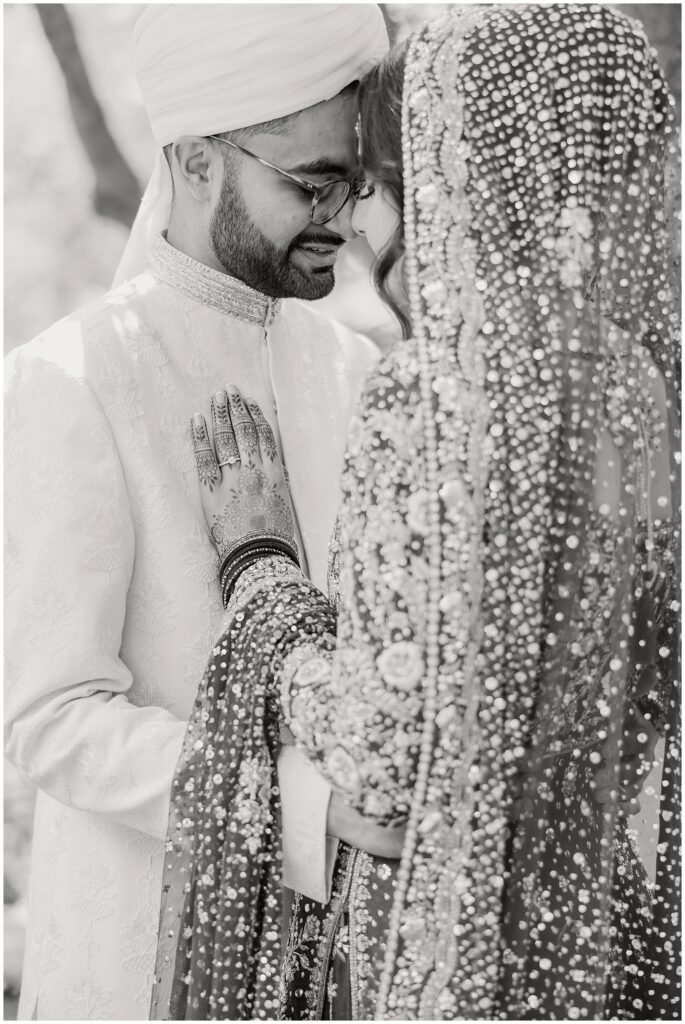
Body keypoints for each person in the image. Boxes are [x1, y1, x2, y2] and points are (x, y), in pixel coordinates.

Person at [158, 4, 680, 1020]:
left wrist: (262, 576)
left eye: (382, 185)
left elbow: (382, 748)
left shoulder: (434, 394)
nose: (358, 221)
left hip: (451, 938)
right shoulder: (643, 386)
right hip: (606, 921)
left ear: (463, 175)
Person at [4, 5, 394, 1018]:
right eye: (309, 184)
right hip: (141, 959)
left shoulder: (360, 375)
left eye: (354, 183)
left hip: (344, 968)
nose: (345, 219)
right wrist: (304, 814)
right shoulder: (74, 377)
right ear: (195, 160)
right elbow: (51, 718)